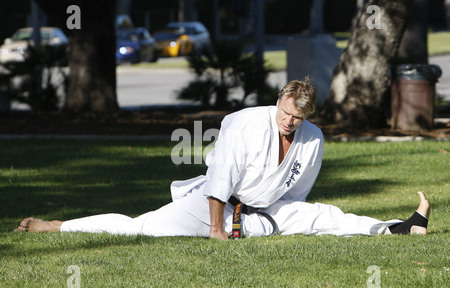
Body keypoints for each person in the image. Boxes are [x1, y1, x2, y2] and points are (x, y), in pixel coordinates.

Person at [15, 78, 431, 239]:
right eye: (285, 113)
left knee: (326, 216)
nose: (289, 122)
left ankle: (401, 227)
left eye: (297, 118)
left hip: (267, 211)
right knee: (138, 229)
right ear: (278, 102)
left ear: (308, 115)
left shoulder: (313, 139)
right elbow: (220, 180)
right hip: (212, 206)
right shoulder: (242, 124)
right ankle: (56, 225)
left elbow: (299, 191)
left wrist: (289, 218)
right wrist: (217, 229)